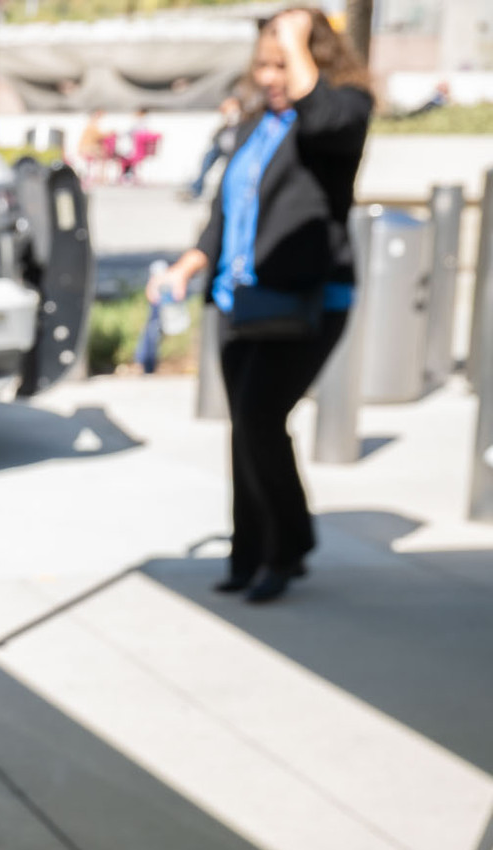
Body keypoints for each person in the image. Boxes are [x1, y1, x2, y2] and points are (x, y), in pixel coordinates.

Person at [148, 8, 373, 604]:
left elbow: (325, 122)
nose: (271, 77)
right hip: (237, 299)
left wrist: (297, 36)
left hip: (308, 299)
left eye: (284, 64)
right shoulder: (256, 124)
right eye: (265, 64)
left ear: (314, 60)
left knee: (260, 421)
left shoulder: (342, 108)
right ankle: (251, 551)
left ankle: (287, 547)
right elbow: (226, 208)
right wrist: (191, 262)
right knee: (245, 431)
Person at [181, 95, 244, 201]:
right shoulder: (225, 123)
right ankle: (196, 188)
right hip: (221, 148)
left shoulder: (240, 118)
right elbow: (219, 135)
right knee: (207, 160)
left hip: (235, 149)